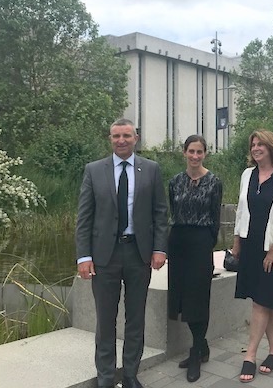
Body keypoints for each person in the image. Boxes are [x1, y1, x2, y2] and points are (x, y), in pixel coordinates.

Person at [75, 118, 168, 388]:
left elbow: (160, 212)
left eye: (126, 135)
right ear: (110, 138)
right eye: (116, 136)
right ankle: (105, 377)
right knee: (105, 320)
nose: (121, 140)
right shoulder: (94, 170)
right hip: (105, 256)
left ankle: (130, 374)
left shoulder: (151, 169)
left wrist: (159, 248)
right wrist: (84, 256)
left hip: (139, 254)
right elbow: (84, 217)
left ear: (136, 138)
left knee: (135, 317)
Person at [232, 129, 273, 383]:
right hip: (250, 247)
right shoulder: (247, 175)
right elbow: (241, 210)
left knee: (260, 302)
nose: (256, 148)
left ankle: (250, 355)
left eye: (261, 144)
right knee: (265, 300)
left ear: (272, 147)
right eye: (253, 144)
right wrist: (237, 241)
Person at [167, 135, 223, 383]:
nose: (195, 156)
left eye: (199, 152)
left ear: (205, 154)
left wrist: (206, 243)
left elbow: (215, 217)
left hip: (201, 242)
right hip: (178, 242)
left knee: (198, 298)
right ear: (184, 153)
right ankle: (203, 346)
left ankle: (195, 352)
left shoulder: (213, 182)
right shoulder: (175, 182)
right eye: (191, 151)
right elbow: (173, 210)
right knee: (182, 298)